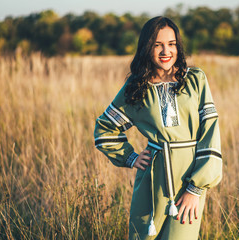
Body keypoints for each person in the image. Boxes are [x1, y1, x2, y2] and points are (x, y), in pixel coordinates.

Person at [94, 16, 222, 240]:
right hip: (151, 183)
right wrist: (131, 157)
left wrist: (196, 189)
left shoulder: (196, 80)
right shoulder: (136, 88)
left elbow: (210, 132)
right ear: (146, 47)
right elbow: (105, 129)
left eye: (171, 44)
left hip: (188, 182)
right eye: (158, 44)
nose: (166, 51)